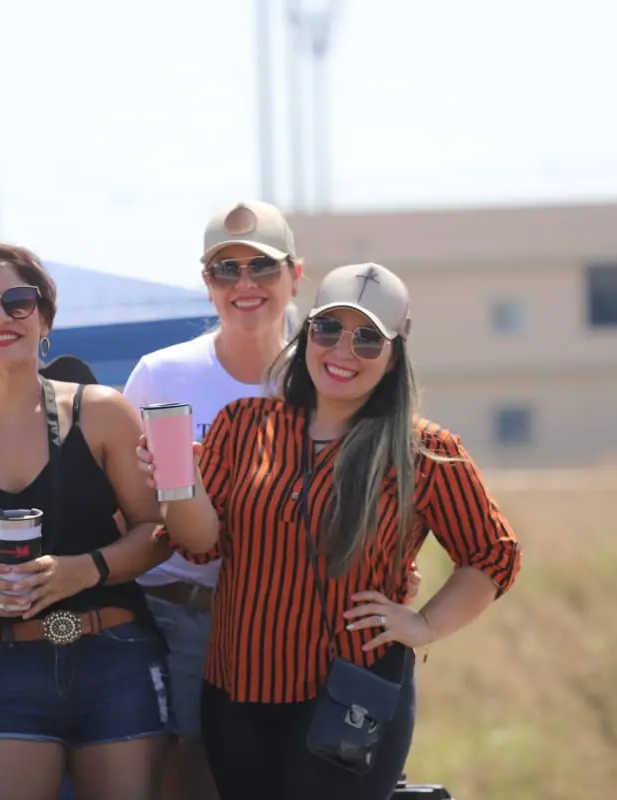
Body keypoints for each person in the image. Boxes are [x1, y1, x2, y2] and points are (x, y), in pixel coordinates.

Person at [137, 262, 522, 800]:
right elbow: (201, 545)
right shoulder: (243, 424)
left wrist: (424, 625)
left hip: (350, 696)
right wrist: (178, 482)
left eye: (368, 339)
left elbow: (492, 553)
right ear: (307, 333)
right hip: (238, 689)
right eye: (329, 329)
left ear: (394, 355)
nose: (343, 351)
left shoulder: (423, 450)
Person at [123, 201, 424, 800]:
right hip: (176, 612)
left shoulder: (326, 371)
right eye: (225, 269)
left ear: (295, 276)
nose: (245, 284)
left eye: (261, 266)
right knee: (186, 777)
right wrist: (176, 493)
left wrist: (395, 573)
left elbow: (383, 483)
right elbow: (125, 512)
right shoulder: (160, 375)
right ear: (206, 281)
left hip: (297, 630)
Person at [0, 241, 174, 800]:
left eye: (19, 301)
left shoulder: (102, 411)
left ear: (44, 320)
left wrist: (84, 570)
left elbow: (158, 533)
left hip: (115, 654)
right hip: (3, 663)